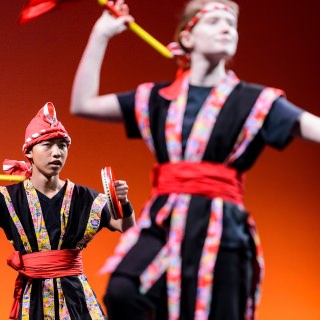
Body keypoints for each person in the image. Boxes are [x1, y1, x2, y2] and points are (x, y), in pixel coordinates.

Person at [70, 0, 320, 319]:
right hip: (166, 221)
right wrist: (100, 34)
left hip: (222, 230)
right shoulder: (156, 98)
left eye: (231, 23)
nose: (227, 27)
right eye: (214, 20)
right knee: (123, 292)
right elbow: (83, 104)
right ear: (187, 38)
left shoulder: (257, 101)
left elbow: (314, 127)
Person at [0, 102, 135, 320]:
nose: (56, 153)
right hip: (32, 300)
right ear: (29, 152)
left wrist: (124, 203)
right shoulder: (7, 198)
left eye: (62, 146)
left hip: (77, 300)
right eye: (48, 145)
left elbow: (126, 228)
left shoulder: (85, 197)